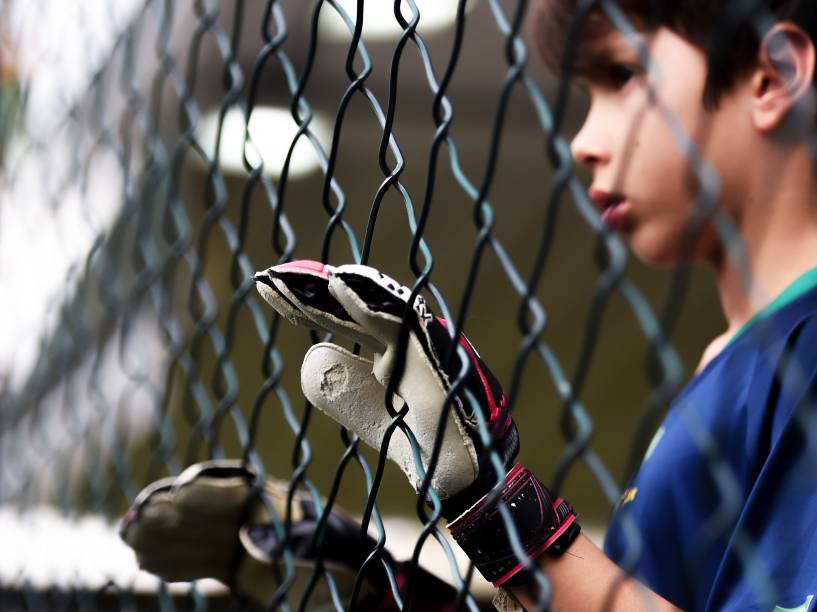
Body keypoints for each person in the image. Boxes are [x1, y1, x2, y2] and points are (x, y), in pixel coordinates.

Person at [124, 1, 817, 610]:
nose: (582, 142)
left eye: (619, 76)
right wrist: (390, 595)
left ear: (772, 74)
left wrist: (495, 503)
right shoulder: (741, 360)